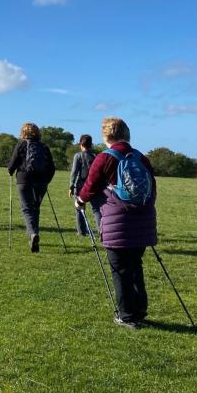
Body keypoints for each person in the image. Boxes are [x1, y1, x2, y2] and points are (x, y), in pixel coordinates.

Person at [76, 117, 157, 329]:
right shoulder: (141, 158)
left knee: (120, 269)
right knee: (135, 266)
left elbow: (90, 186)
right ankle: (140, 310)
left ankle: (127, 315)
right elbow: (152, 190)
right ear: (127, 134)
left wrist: (80, 201)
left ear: (106, 136)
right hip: (143, 221)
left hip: (117, 222)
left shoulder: (105, 157)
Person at [7, 122, 55, 253]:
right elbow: (52, 167)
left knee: (27, 209)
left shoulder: (21, 144)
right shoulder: (44, 147)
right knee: (35, 209)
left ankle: (33, 234)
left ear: (23, 133)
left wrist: (10, 171)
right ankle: (34, 236)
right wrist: (46, 180)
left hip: (24, 179)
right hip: (41, 181)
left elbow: (13, 163)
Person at [69, 134, 101, 236]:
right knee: (96, 210)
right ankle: (101, 231)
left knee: (79, 208)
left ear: (81, 144)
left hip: (80, 186)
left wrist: (71, 186)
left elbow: (74, 172)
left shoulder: (78, 156)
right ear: (91, 144)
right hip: (94, 185)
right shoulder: (96, 156)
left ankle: (81, 231)